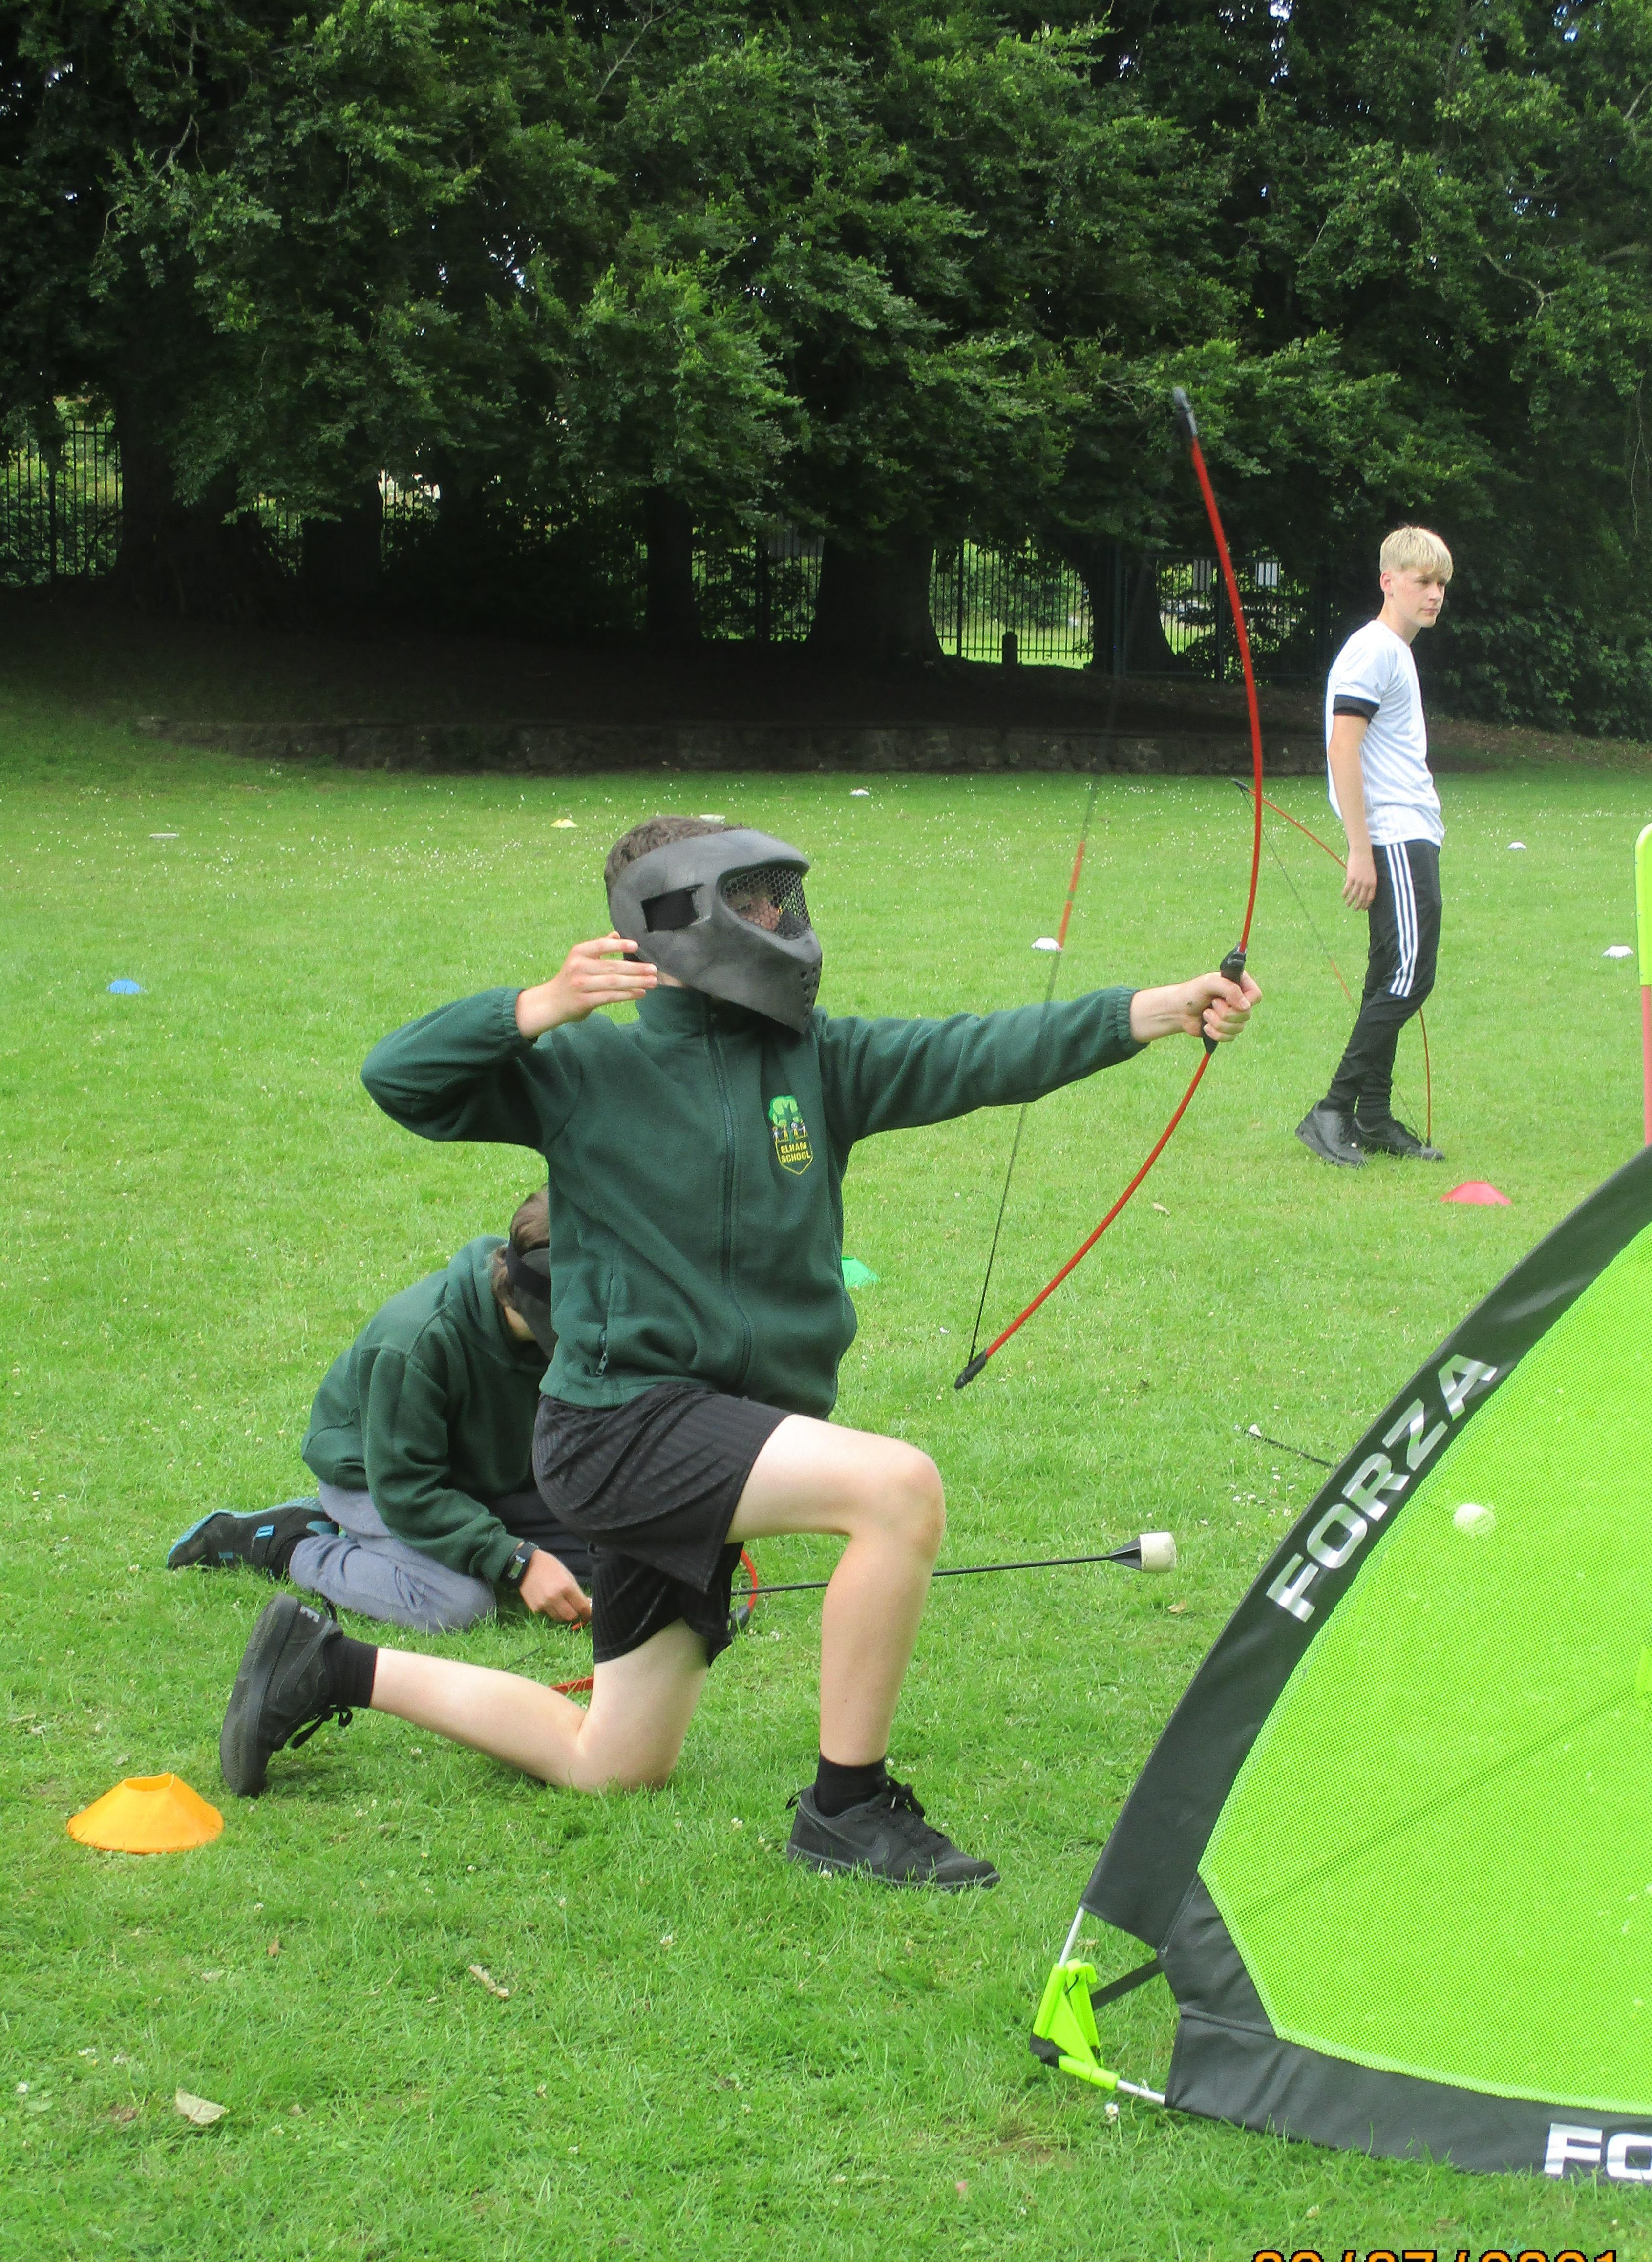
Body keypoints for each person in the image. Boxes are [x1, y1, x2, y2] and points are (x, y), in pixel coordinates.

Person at [215, 813, 1259, 1888]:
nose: (776, 918)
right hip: (618, 1428)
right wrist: (534, 1008)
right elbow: (399, 1077)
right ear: (669, 919)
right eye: (748, 899)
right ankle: (847, 1809)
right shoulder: (585, 1066)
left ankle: (325, 1664)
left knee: (614, 1760)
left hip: (716, 1439)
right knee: (896, 1490)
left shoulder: (815, 1060)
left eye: (780, 896)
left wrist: (1160, 1009)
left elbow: (980, 1052)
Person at [171, 1190, 593, 1632]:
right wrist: (518, 1561)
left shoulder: (561, 1313)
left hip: (485, 1478)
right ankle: (291, 1543)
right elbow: (405, 1492)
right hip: (379, 1482)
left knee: (616, 1548)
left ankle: (467, 1531)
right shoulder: (413, 1343)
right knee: (457, 1604)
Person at [1295, 525, 1453, 1167]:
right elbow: (1343, 748)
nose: (1434, 594)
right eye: (1422, 581)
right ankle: (1333, 1110)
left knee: (1391, 974)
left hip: (1408, 834)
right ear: (1389, 581)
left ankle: (1374, 1116)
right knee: (1410, 976)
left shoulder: (1395, 652)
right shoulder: (1375, 650)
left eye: (1441, 584)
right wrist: (1360, 849)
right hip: (1393, 835)